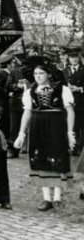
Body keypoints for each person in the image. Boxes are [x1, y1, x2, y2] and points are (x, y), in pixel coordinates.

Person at [14, 57, 76, 211]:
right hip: (37, 127)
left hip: (56, 126)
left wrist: (70, 132)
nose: (38, 76)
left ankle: (57, 198)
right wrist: (21, 133)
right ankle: (46, 198)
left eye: (41, 73)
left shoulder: (63, 89)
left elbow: (70, 111)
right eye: (35, 74)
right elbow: (27, 113)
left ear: (49, 74)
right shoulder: (30, 91)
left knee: (57, 156)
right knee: (40, 157)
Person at [63, 48, 84, 157]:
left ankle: (82, 149)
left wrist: (80, 89)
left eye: (76, 57)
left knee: (82, 125)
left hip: (82, 101)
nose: (74, 59)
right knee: (72, 125)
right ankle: (74, 148)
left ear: (79, 58)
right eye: (71, 58)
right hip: (69, 102)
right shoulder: (65, 71)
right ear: (69, 59)